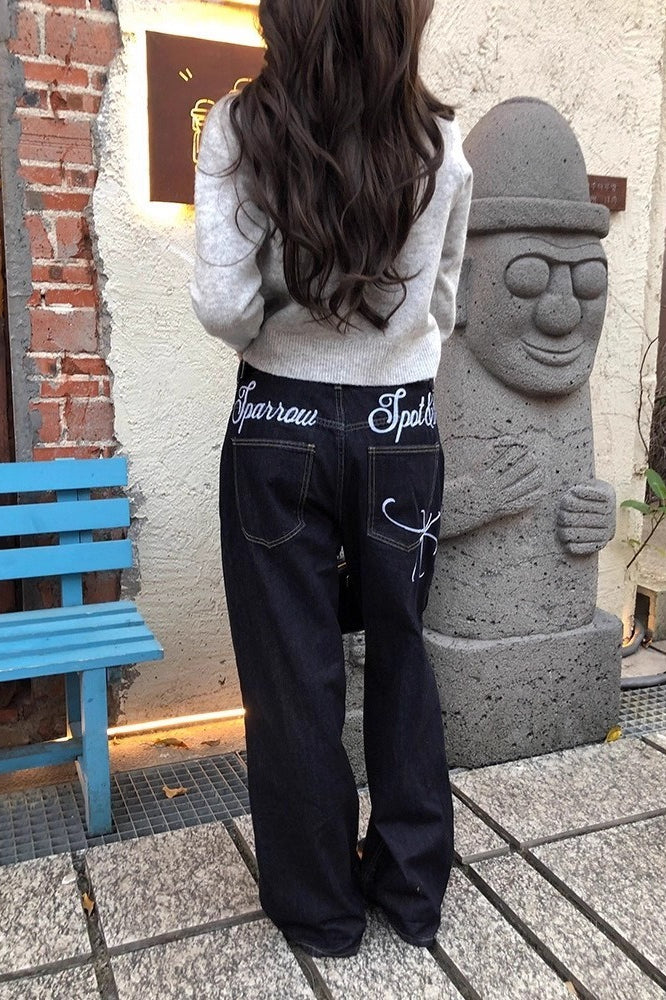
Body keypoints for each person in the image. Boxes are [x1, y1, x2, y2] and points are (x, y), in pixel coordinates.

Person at [190, 0, 472, 959]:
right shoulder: (438, 141)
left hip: (279, 422)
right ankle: (412, 891)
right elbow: (440, 301)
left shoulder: (244, 126)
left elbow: (224, 304)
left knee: (292, 671)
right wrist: (381, 335)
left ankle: (320, 911)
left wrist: (293, 312)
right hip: (401, 423)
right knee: (402, 651)